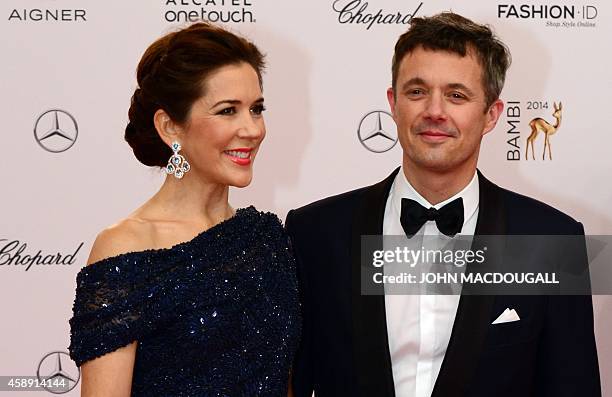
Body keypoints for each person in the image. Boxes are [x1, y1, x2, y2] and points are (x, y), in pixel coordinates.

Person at [286, 12, 600, 397]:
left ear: (491, 115)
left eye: (456, 95)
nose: (434, 111)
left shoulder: (550, 241)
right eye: (417, 91)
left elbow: (572, 385)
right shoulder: (315, 233)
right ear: (393, 103)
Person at [68, 22, 301, 396]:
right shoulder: (126, 248)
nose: (252, 129)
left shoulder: (266, 239)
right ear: (170, 126)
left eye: (256, 109)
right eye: (228, 111)